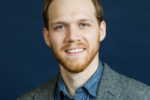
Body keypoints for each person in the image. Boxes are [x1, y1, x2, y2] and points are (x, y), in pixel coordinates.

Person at [17, 0, 150, 100]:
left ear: (101, 31)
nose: (73, 37)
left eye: (83, 24)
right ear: (47, 37)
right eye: (60, 27)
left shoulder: (143, 96)